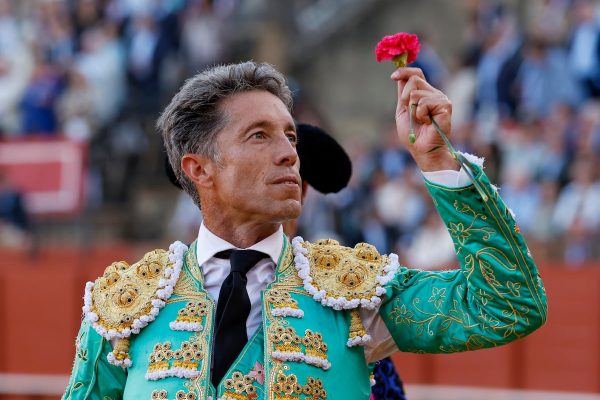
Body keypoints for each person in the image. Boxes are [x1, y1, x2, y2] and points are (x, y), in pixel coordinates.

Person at [63, 61, 547, 400]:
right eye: (260, 135)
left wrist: (438, 160)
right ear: (199, 168)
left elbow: (506, 304)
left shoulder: (356, 294)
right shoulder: (124, 307)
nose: (289, 154)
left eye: (290, 136)